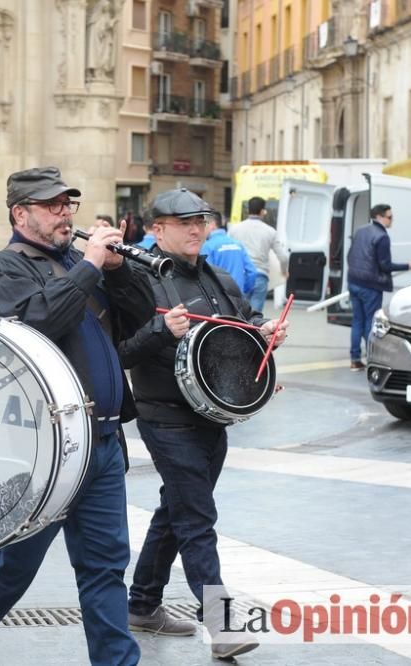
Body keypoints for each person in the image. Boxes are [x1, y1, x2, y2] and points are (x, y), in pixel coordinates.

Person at [0, 166, 153, 666]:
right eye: (52, 205)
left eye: (68, 204)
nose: (65, 213)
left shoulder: (88, 267)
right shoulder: (3, 268)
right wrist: (89, 268)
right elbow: (36, 324)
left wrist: (119, 271)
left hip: (100, 443)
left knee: (105, 567)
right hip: (42, 448)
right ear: (21, 213)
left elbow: (143, 316)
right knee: (15, 566)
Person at [117, 188, 287, 662]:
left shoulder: (220, 277)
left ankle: (143, 603)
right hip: (164, 416)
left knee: (177, 509)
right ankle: (221, 623)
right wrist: (157, 331)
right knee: (196, 517)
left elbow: (246, 327)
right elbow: (119, 352)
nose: (197, 229)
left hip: (214, 416)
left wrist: (266, 334)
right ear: (156, 229)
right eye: (183, 222)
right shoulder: (134, 281)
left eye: (202, 220)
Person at [346, 203, 411, 371]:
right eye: (389, 217)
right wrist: (410, 265)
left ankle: (355, 359)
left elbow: (350, 255)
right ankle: (372, 357)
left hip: (354, 281)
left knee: (357, 321)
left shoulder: (361, 231)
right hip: (370, 285)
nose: (392, 220)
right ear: (379, 217)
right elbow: (385, 266)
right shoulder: (382, 237)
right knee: (370, 322)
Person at [228, 195, 289, 312]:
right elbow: (283, 257)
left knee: (238, 313)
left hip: (240, 275)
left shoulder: (234, 229)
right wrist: (284, 271)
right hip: (260, 276)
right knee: (254, 316)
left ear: (248, 210)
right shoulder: (270, 231)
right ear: (262, 211)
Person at [201, 214, 257, 296]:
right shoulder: (238, 244)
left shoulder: (207, 246)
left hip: (220, 298)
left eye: (204, 224)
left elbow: (205, 275)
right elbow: (252, 272)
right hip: (238, 296)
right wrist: (244, 290)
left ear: (212, 224)